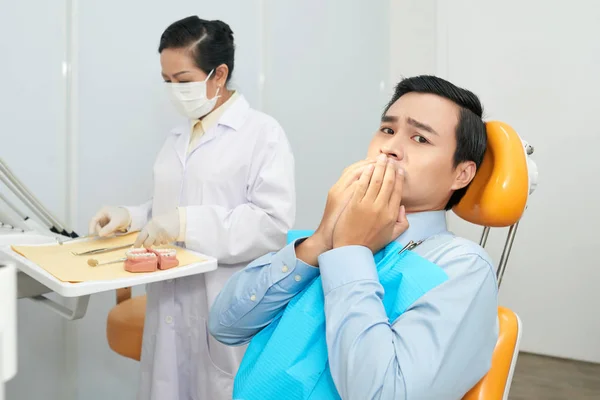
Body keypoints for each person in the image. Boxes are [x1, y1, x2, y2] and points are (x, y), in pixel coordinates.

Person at [209, 75, 498, 399]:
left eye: (420, 139)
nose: (390, 148)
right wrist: (320, 242)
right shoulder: (323, 238)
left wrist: (351, 250)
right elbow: (224, 326)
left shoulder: (461, 266)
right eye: (387, 130)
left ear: (462, 173)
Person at [88, 16, 295, 400]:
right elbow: (169, 209)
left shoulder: (262, 135)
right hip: (169, 300)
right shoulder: (180, 134)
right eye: (167, 82)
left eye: (182, 81)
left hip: (223, 302)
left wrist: (185, 222)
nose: (173, 91)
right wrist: (131, 215)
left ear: (219, 74)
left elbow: (272, 224)